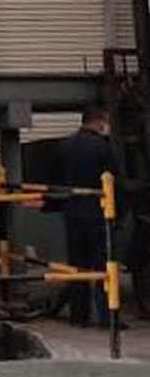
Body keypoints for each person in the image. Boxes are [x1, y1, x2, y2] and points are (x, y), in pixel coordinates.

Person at [60, 106, 119, 328]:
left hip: (72, 210)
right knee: (103, 265)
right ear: (98, 121)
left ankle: (79, 315)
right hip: (97, 211)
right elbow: (114, 177)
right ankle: (107, 316)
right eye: (105, 122)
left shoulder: (65, 146)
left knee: (77, 265)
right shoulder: (103, 147)